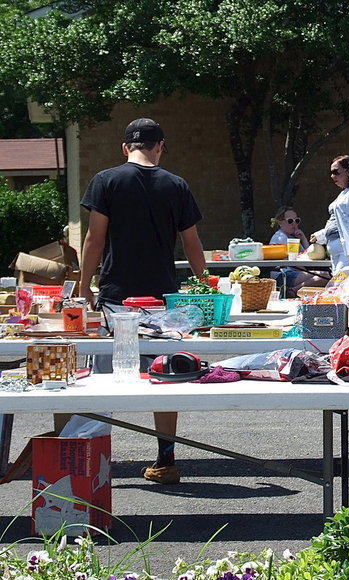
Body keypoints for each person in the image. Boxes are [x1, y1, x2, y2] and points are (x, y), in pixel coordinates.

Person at [79, 118, 206, 485]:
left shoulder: (106, 180)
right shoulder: (176, 185)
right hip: (163, 301)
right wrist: (204, 285)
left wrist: (84, 285)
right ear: (160, 146)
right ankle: (166, 460)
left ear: (125, 148)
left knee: (101, 382)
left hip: (117, 297)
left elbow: (94, 240)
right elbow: (192, 242)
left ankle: (90, 466)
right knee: (163, 377)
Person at [269, 206, 325, 296]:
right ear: (280, 222)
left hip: (293, 272)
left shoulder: (293, 238)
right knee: (325, 276)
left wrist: (303, 239)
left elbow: (309, 255)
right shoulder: (280, 238)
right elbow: (294, 263)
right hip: (282, 274)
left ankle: (293, 291)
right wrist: (309, 271)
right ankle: (292, 292)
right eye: (290, 221)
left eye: (297, 220)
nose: (294, 224)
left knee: (324, 276)